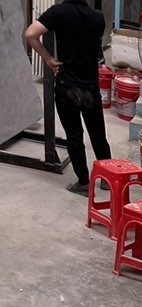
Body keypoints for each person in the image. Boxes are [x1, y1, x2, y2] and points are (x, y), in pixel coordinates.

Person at [25, 0, 112, 196]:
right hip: (90, 87)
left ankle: (83, 182)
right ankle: (107, 179)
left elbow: (30, 34)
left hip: (67, 86)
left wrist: (49, 59)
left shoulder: (58, 12)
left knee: (74, 135)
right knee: (98, 134)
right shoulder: (98, 18)